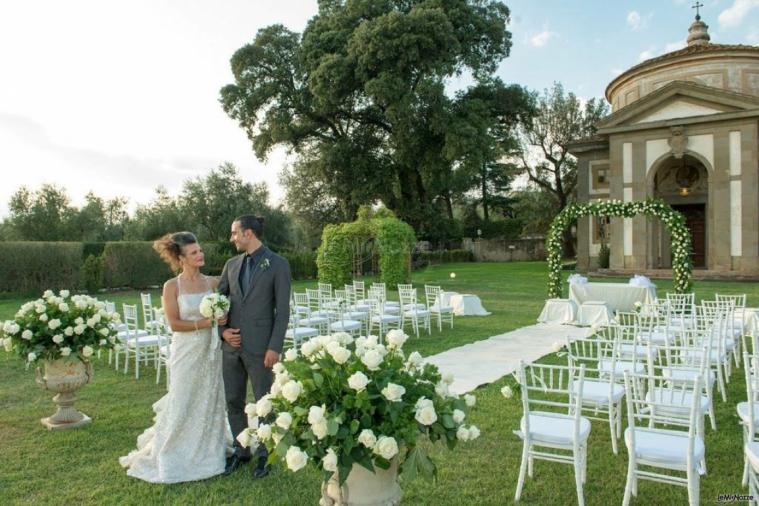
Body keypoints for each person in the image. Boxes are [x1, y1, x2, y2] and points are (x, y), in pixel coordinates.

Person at [119, 232, 230, 483]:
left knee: (209, 397)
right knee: (182, 398)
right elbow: (175, 324)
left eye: (200, 250)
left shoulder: (213, 283)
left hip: (210, 352)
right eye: (194, 253)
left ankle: (209, 450)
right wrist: (206, 321)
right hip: (186, 350)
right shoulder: (172, 286)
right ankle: (174, 451)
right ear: (181, 258)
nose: (200, 255)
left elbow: (228, 307)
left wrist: (222, 319)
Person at [219, 215, 291, 479]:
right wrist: (223, 332)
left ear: (248, 233)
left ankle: (265, 455)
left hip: (262, 349)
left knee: (264, 404)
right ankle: (241, 451)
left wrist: (275, 346)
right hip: (232, 348)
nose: (232, 238)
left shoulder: (278, 264)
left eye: (234, 232)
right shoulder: (231, 264)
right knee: (233, 401)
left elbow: (282, 311)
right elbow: (219, 304)